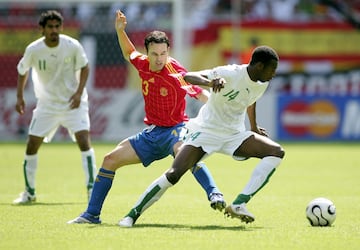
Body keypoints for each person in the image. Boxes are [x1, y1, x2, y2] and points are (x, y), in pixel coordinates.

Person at [67, 10, 225, 224]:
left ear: (168, 51)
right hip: (152, 133)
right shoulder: (142, 64)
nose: (159, 59)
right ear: (147, 52)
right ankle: (92, 215)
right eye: (155, 54)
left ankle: (214, 193)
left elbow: (199, 93)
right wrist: (120, 31)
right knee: (110, 160)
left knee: (184, 152)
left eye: (163, 53)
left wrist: (220, 107)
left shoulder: (174, 71)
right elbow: (128, 52)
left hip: (176, 129)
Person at [117, 45, 285, 227]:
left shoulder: (262, 83)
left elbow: (250, 101)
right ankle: (131, 215)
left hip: (234, 135)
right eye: (272, 69)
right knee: (174, 174)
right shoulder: (230, 73)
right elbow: (187, 77)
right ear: (260, 66)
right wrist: (211, 82)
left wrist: (253, 127)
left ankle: (239, 203)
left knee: (276, 152)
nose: (274, 73)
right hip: (206, 131)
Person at [13, 10, 97, 204]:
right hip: (47, 105)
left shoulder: (72, 45)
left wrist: (78, 93)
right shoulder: (34, 49)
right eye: (50, 27)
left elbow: (85, 67)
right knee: (32, 144)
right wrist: (19, 97)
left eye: (57, 26)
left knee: (84, 141)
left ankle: (91, 190)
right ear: (42, 29)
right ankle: (29, 192)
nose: (54, 30)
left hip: (73, 103)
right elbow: (22, 70)